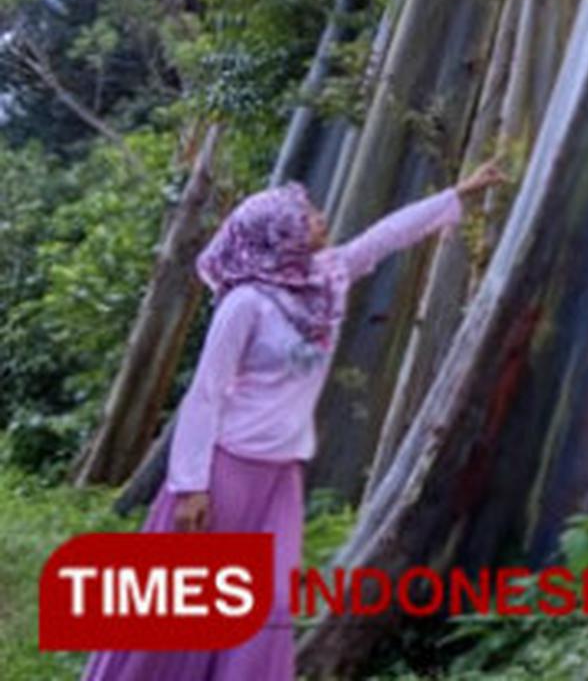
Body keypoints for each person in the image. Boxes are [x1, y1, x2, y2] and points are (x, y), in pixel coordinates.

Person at [81, 158, 507, 681]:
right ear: (275, 233)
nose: (318, 217)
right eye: (303, 215)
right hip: (224, 472)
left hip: (280, 474)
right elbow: (206, 395)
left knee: (271, 605)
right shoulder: (244, 305)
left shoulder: (321, 281)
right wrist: (191, 485)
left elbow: (378, 242)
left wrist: (455, 195)